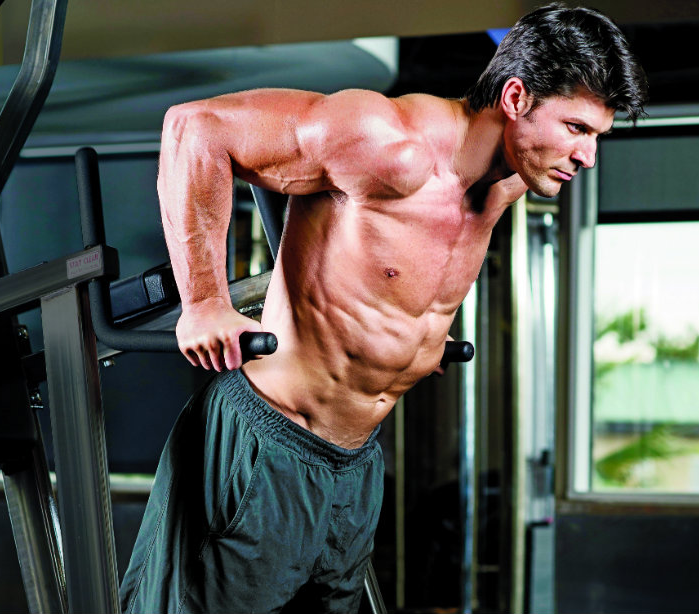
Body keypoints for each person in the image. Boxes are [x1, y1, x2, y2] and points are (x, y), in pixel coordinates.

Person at [120, 4, 647, 613]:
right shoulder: (388, 143)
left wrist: (414, 349)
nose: (588, 156)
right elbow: (194, 128)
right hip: (271, 449)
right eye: (577, 129)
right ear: (516, 97)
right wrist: (205, 302)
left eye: (598, 137)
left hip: (356, 468)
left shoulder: (506, 184)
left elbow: (397, 273)